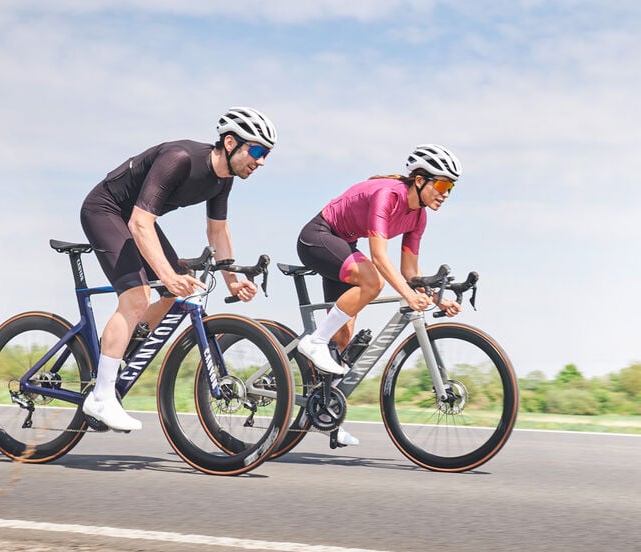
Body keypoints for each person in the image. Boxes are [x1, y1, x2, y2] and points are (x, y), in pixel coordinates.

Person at [79, 107, 277, 432]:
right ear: (230, 142)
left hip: (134, 220)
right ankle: (101, 397)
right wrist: (168, 276)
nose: (262, 160)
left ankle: (121, 349)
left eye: (266, 153)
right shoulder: (180, 158)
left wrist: (231, 281)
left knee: (171, 294)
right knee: (137, 296)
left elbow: (218, 233)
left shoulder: (222, 181)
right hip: (107, 210)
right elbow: (140, 224)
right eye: (256, 150)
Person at [294, 144, 465, 446]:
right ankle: (313, 342)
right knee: (373, 283)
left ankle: (326, 417)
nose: (445, 193)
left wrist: (438, 300)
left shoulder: (419, 217)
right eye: (441, 184)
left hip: (343, 245)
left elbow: (410, 272)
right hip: (318, 237)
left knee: (343, 338)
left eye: (450, 187)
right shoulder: (389, 195)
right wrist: (408, 297)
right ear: (420, 180)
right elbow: (379, 256)